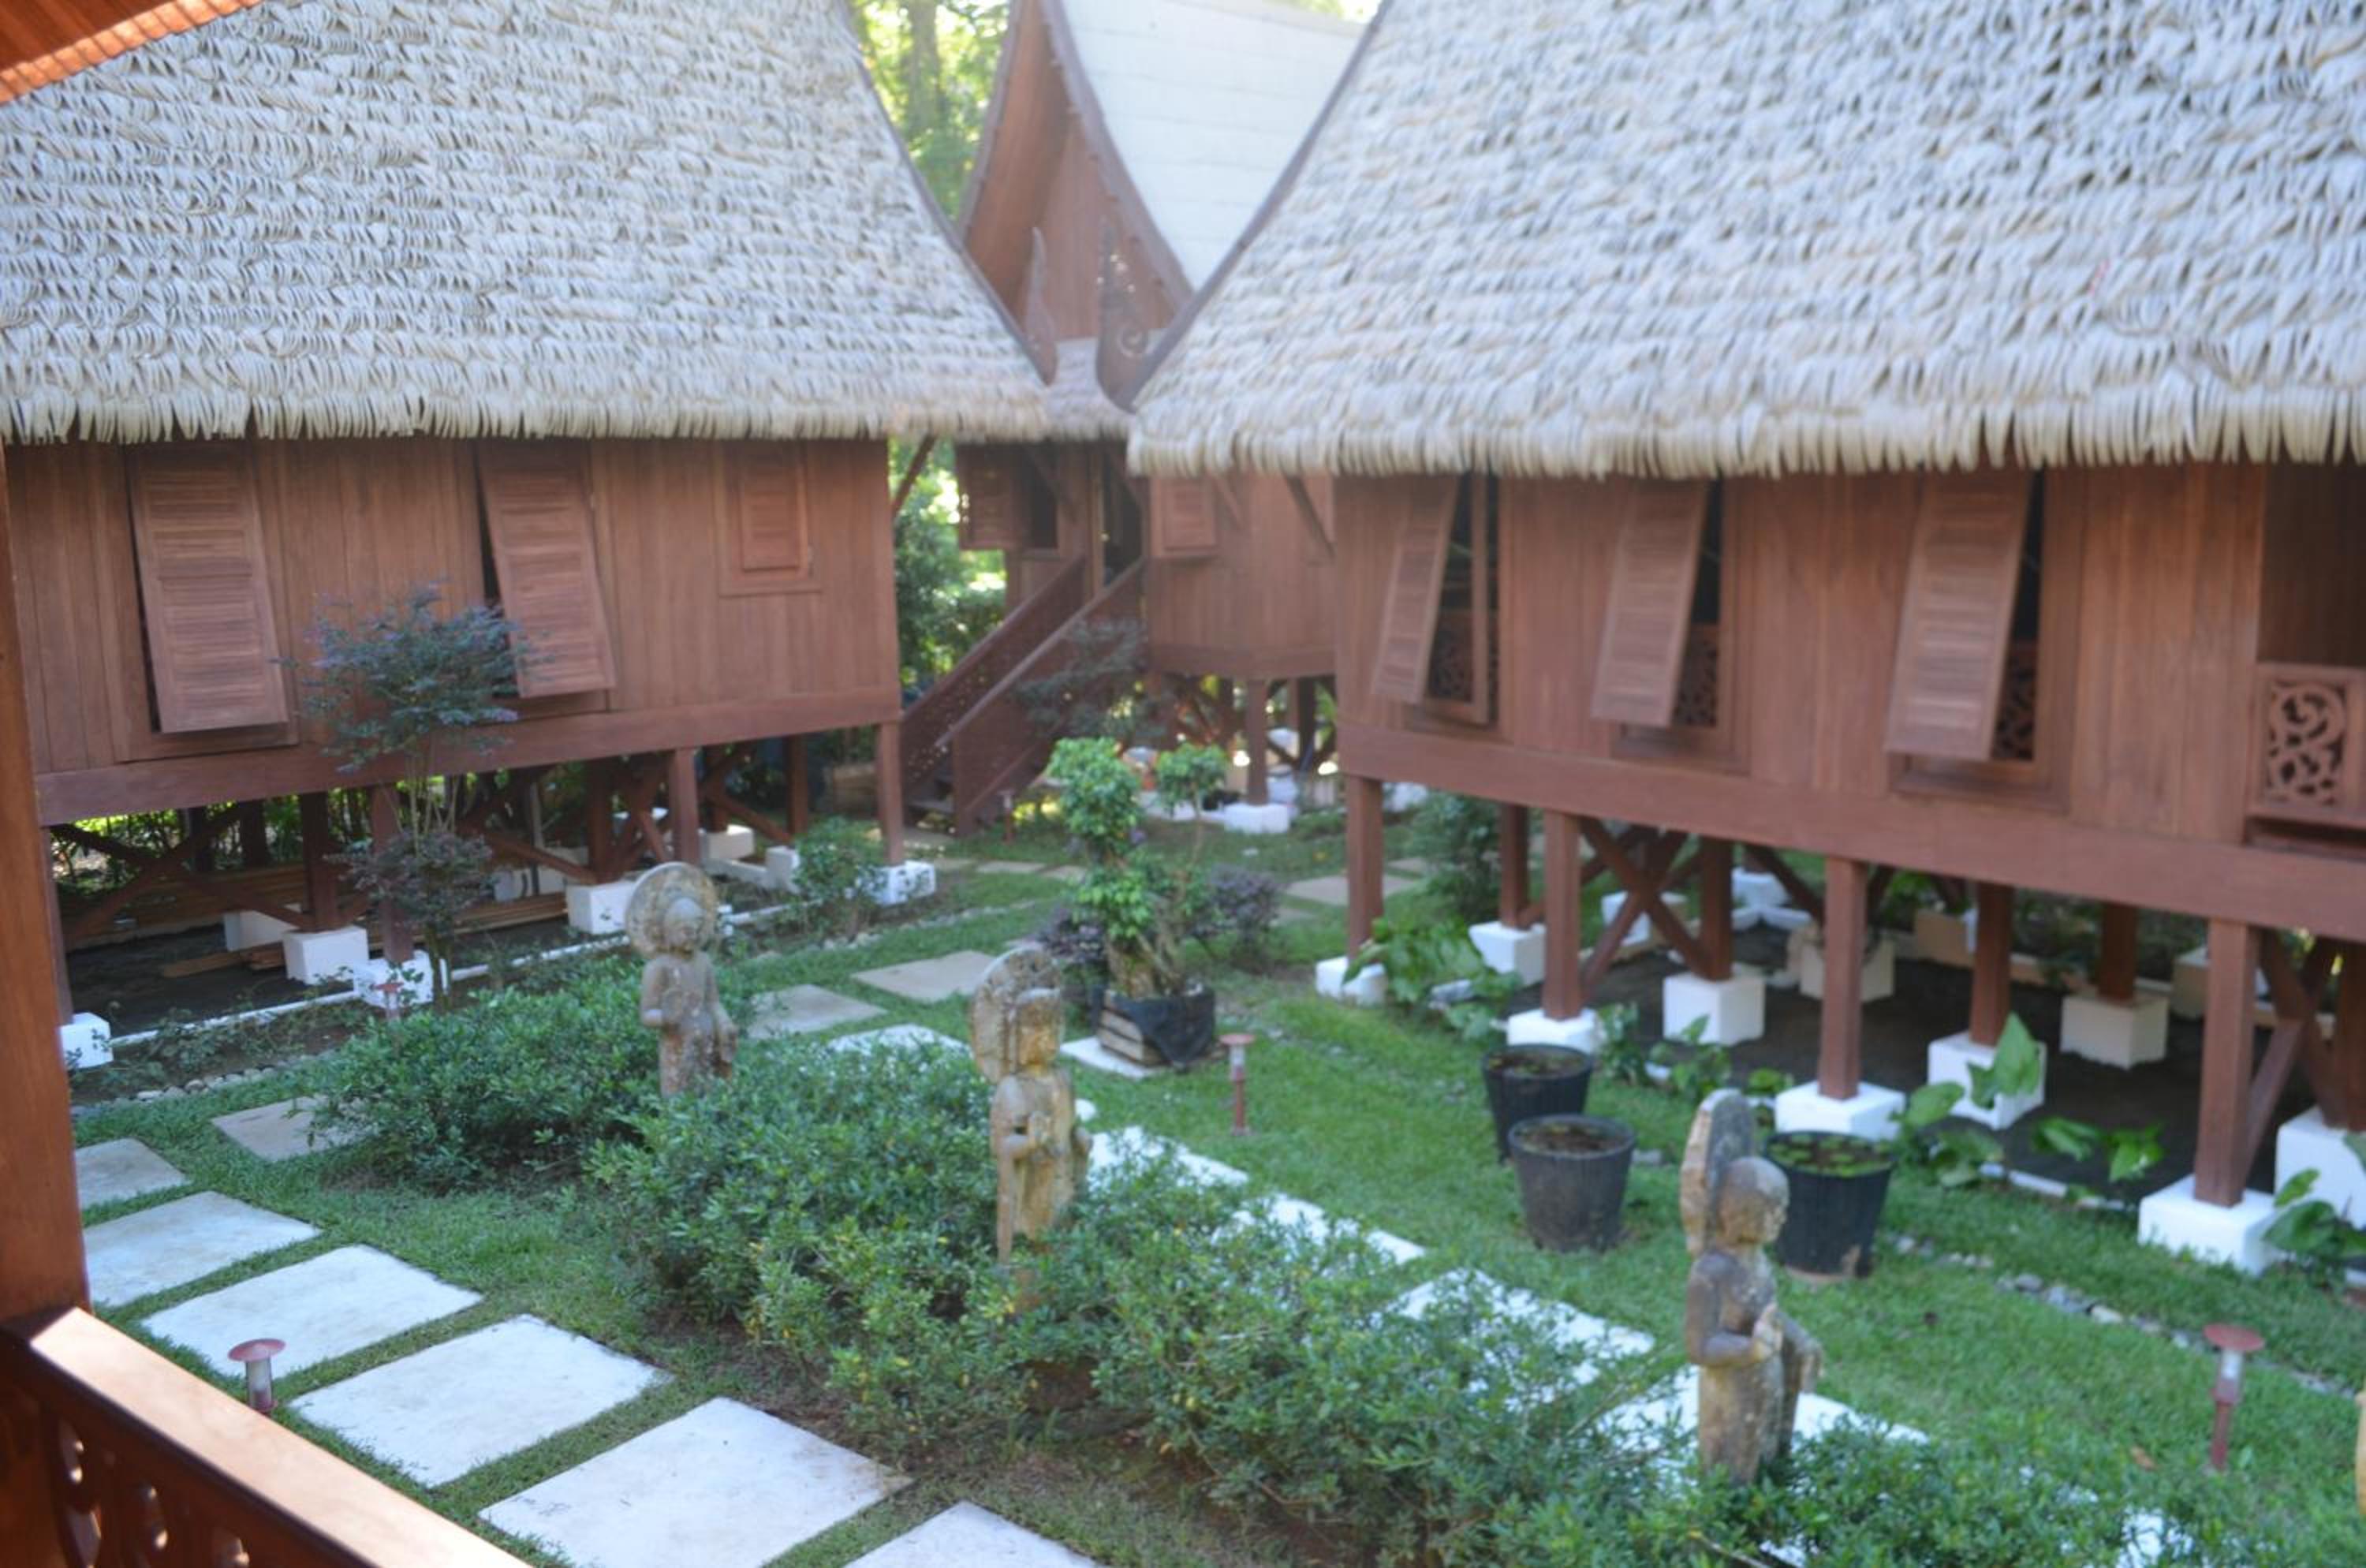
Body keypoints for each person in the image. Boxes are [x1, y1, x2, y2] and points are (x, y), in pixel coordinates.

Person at [1685, 1154, 1823, 1484]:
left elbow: (1766, 1314)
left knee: (1767, 1459)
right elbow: (1698, 1346)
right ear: (1741, 1212)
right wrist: (1749, 1350)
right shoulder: (1711, 1272)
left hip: (1767, 1385)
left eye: (1783, 1208)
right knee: (1733, 1470)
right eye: (1773, 1209)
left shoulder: (1758, 1261)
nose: (1782, 1217)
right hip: (1731, 1398)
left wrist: (1800, 1342)